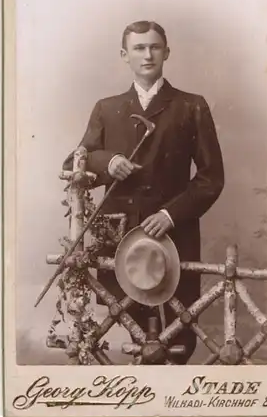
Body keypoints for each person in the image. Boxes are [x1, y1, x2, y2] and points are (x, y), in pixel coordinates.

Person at [63, 20, 224, 364]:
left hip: (173, 232)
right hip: (121, 237)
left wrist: (170, 214)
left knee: (180, 333)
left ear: (167, 52)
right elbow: (74, 165)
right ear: (125, 55)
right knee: (128, 327)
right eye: (138, 48)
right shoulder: (106, 108)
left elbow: (212, 178)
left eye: (154, 47)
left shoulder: (191, 105)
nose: (147, 54)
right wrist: (108, 162)